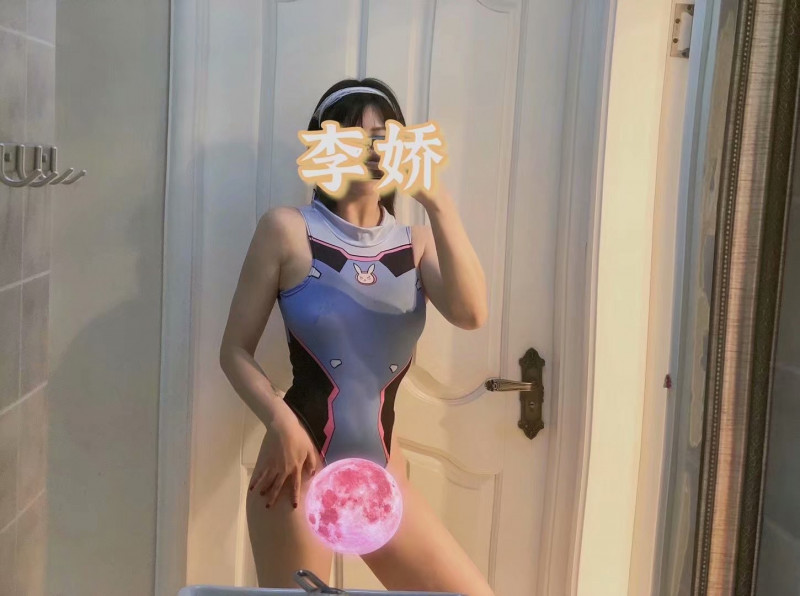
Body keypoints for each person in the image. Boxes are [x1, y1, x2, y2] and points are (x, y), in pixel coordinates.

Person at [219, 77, 493, 595]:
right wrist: (280, 421)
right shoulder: (286, 229)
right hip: (296, 471)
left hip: (382, 476)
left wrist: (438, 204)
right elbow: (234, 351)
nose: (371, 147)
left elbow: (471, 313)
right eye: (352, 134)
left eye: (383, 135)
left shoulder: (417, 244)